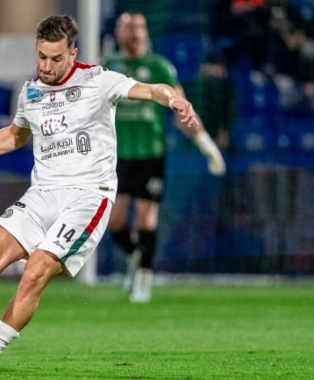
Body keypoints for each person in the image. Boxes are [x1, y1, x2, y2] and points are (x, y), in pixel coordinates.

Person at [0, 14, 204, 373]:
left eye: (56, 58)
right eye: (42, 57)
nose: (48, 66)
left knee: (35, 271)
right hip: (43, 194)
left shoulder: (98, 80)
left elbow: (151, 89)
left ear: (73, 53)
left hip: (88, 196)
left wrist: (175, 100)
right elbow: (14, 135)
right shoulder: (32, 91)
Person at [101, 12, 226, 303]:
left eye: (139, 28)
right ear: (119, 34)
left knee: (146, 217)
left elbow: (182, 110)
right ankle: (136, 257)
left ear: (146, 33)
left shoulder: (159, 67)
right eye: (128, 29)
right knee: (114, 221)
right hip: (115, 157)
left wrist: (205, 144)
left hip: (149, 155)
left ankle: (144, 276)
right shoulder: (108, 68)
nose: (134, 34)